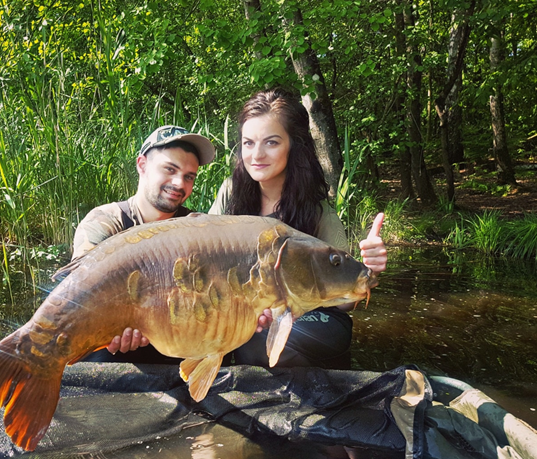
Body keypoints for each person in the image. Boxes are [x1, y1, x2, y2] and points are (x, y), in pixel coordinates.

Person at [209, 87, 387, 369]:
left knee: (263, 341)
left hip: (308, 318)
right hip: (245, 313)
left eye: (271, 142)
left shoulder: (317, 211)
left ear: (295, 145)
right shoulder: (230, 193)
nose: (257, 154)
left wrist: (368, 269)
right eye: (248, 143)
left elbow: (344, 304)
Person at [63, 125, 216, 362]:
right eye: (170, 169)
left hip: (175, 344)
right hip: (111, 345)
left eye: (189, 177)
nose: (179, 183)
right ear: (142, 165)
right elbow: (80, 295)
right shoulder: (106, 221)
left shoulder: (197, 229)